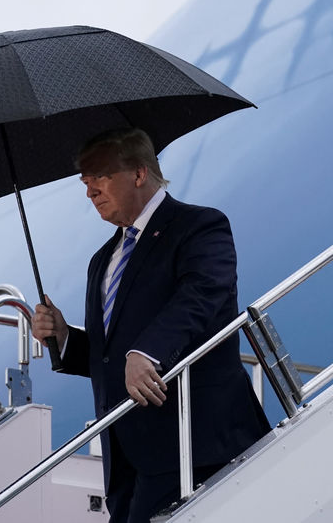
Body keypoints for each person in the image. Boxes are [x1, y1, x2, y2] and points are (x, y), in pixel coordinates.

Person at [31, 127, 270, 523]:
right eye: (85, 181)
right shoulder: (102, 259)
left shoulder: (199, 226)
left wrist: (147, 352)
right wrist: (65, 337)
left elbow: (203, 295)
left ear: (139, 174)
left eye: (100, 177)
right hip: (127, 459)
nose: (89, 191)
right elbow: (110, 354)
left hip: (196, 443)